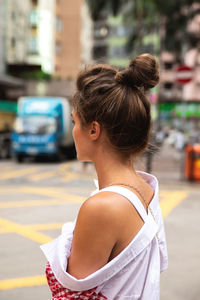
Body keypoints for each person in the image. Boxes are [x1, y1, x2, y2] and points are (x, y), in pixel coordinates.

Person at [41, 54, 168, 299]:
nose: (73, 130)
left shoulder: (102, 207)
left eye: (74, 121)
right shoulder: (146, 190)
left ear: (93, 129)